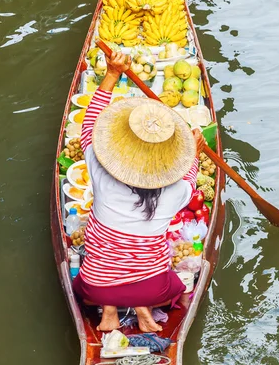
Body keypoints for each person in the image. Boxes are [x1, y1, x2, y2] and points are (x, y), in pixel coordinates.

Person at [72, 49, 206, 333]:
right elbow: (191, 178)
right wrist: (195, 152)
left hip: (97, 289)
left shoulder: (102, 175)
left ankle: (109, 312)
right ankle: (144, 312)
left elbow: (87, 129)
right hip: (152, 290)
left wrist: (111, 74)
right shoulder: (175, 192)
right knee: (171, 283)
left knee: (102, 259)